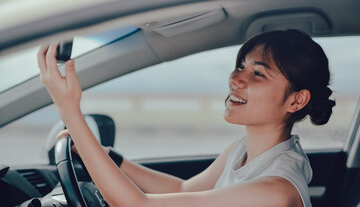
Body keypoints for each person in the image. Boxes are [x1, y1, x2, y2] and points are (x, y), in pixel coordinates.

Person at [38, 29, 335, 207]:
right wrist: (111, 158)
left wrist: (70, 112)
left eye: (257, 73)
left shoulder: (275, 192)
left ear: (297, 100)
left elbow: (134, 204)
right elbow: (182, 190)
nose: (235, 79)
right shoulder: (245, 150)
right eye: (241, 66)